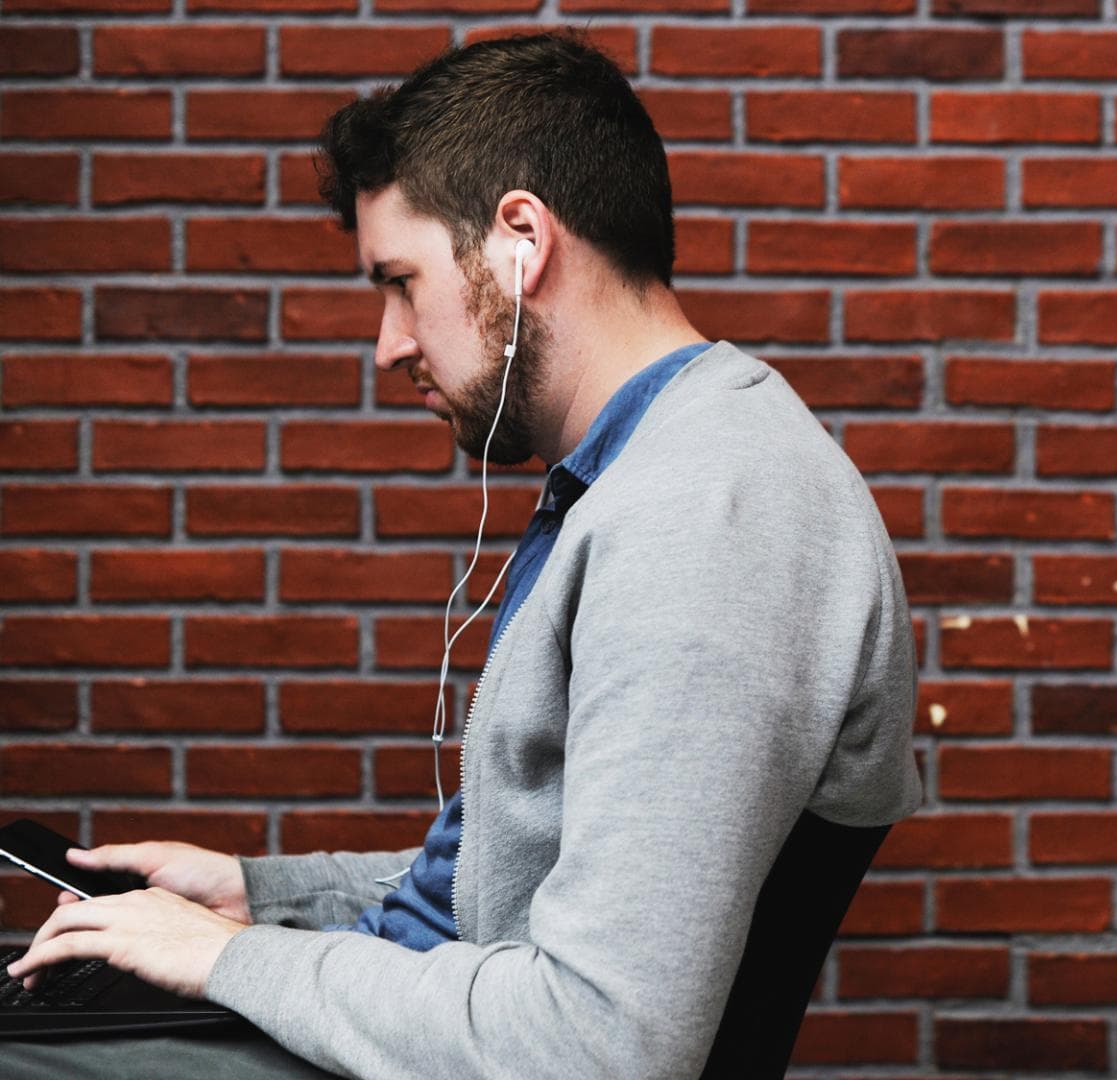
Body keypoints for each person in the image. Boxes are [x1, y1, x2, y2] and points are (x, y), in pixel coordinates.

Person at [5, 32, 920, 1078]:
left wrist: (235, 961)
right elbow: (537, 876)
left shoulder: (709, 518)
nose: (388, 342)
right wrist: (264, 899)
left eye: (401, 280)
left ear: (520, 240)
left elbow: (599, 1041)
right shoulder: (650, 467)